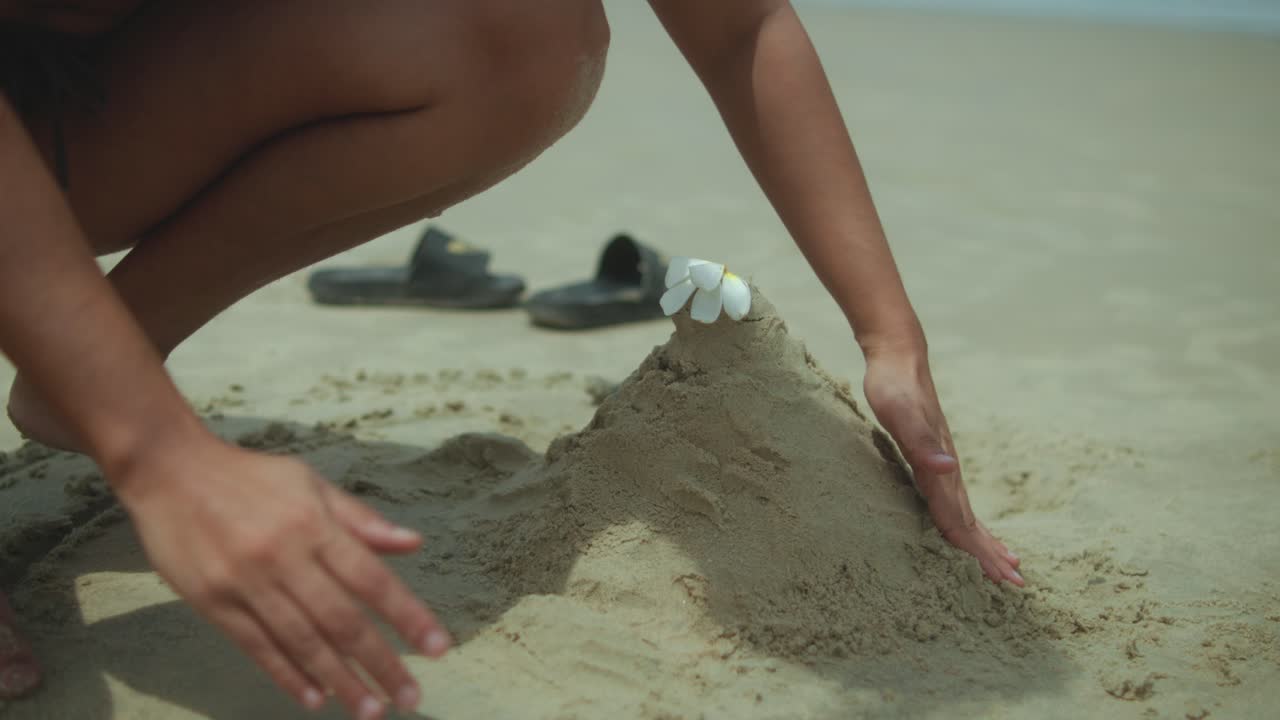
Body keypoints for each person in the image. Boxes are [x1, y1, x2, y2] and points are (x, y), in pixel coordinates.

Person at [0, 0, 1023, 716]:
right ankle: (98, 378)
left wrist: (890, 340)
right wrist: (159, 455)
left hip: (92, 102)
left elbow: (740, 22)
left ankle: (89, 361)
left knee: (525, 30)